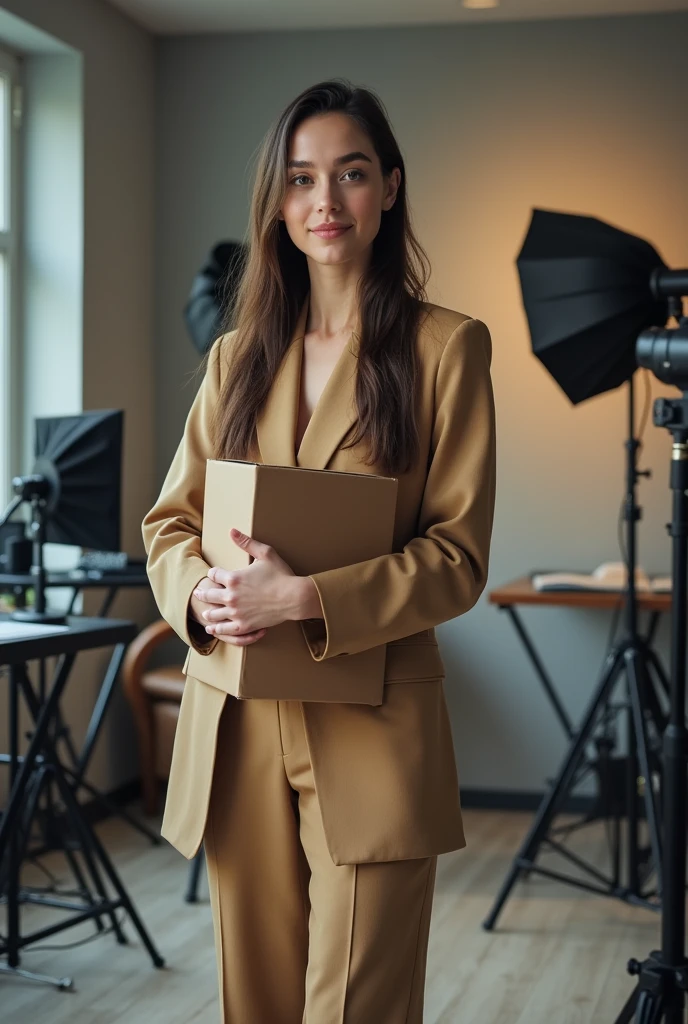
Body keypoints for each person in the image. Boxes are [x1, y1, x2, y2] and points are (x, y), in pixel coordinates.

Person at [142, 78, 496, 1024]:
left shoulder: (447, 350)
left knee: (359, 1006)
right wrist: (201, 598)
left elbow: (457, 556)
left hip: (372, 722)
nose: (325, 202)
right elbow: (168, 525)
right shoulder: (236, 357)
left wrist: (305, 599)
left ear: (389, 187)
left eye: (349, 174)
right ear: (277, 200)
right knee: (252, 1002)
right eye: (300, 179)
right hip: (237, 723)